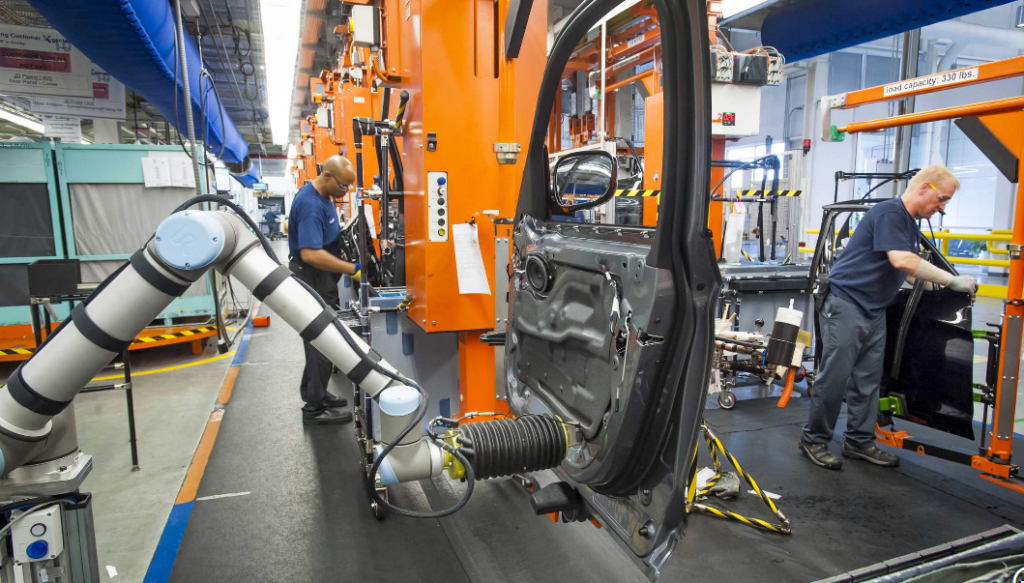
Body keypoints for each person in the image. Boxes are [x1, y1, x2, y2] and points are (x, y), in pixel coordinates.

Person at [799, 165, 978, 470]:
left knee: (868, 381)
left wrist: (940, 290)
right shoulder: (890, 213)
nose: (943, 207)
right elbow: (902, 259)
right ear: (924, 188)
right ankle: (814, 440)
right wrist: (952, 281)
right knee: (835, 377)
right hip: (847, 304)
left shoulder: (908, 224)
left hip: (873, 308)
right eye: (942, 199)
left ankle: (859, 441)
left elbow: (905, 270)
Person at [288, 155, 361, 425]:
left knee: (319, 338)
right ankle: (315, 409)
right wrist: (350, 268)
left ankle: (315, 393)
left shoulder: (324, 196)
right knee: (321, 340)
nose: (346, 191)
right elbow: (310, 254)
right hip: (312, 276)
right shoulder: (310, 204)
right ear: (327, 176)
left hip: (322, 277)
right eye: (344, 186)